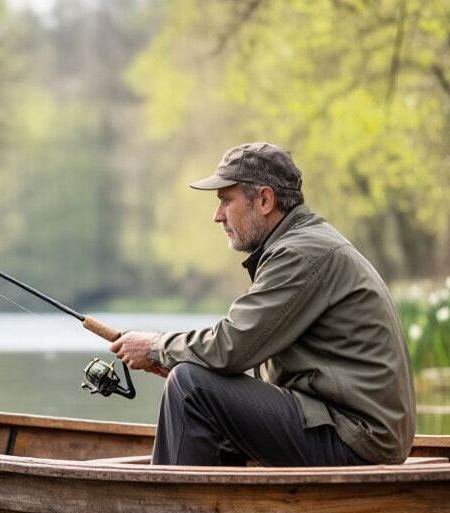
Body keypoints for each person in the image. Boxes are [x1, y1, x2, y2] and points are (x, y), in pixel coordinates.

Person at [110, 142, 416, 467]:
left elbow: (232, 345)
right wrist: (183, 357)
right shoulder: (305, 241)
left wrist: (157, 347)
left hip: (357, 439)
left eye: (226, 201)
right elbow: (239, 349)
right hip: (349, 428)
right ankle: (216, 512)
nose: (217, 216)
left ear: (265, 200)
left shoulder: (300, 253)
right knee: (202, 386)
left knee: (190, 386)